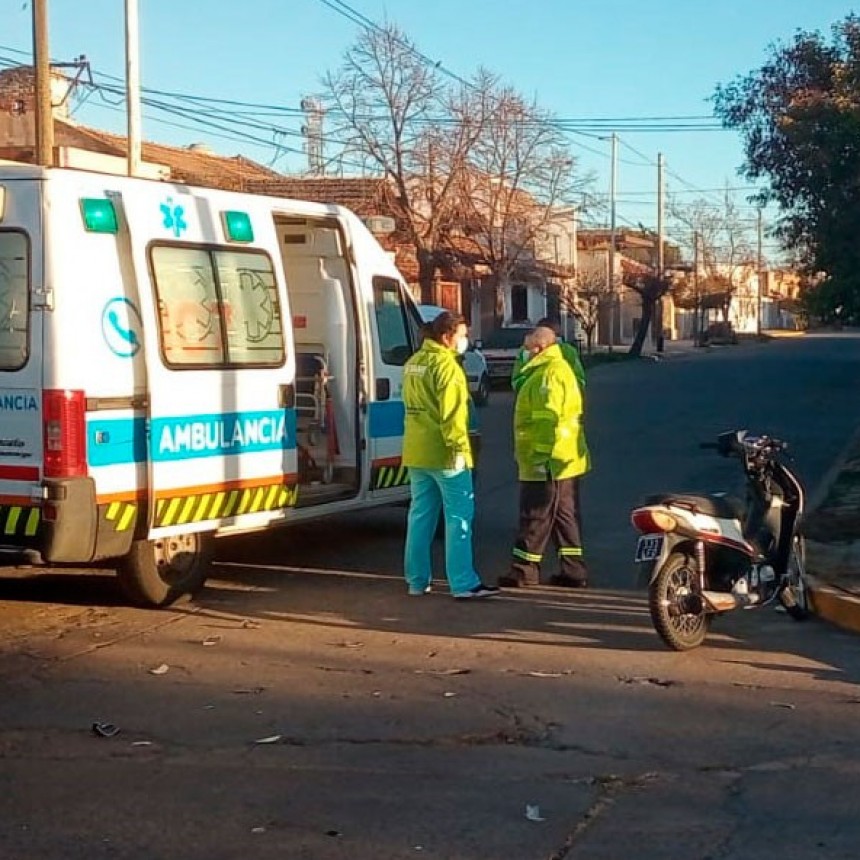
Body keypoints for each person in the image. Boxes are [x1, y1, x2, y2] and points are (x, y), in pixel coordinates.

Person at [402, 310, 500, 599]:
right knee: (459, 518)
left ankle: (417, 581)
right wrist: (460, 450)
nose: (465, 340)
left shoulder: (413, 362)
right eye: (462, 335)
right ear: (447, 337)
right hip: (446, 454)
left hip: (417, 451)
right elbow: (453, 416)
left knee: (420, 517)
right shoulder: (447, 367)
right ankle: (463, 582)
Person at [499, 325, 590, 588]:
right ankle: (574, 570)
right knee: (564, 517)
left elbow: (546, 421)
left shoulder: (547, 376)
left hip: (547, 459)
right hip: (564, 458)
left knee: (535, 515)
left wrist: (540, 457)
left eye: (527, 349)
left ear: (540, 348)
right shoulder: (554, 370)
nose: (524, 354)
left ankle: (524, 569)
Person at [510, 316, 586, 396]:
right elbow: (579, 380)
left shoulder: (566, 350)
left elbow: (517, 379)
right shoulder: (567, 350)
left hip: (534, 400)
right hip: (561, 399)